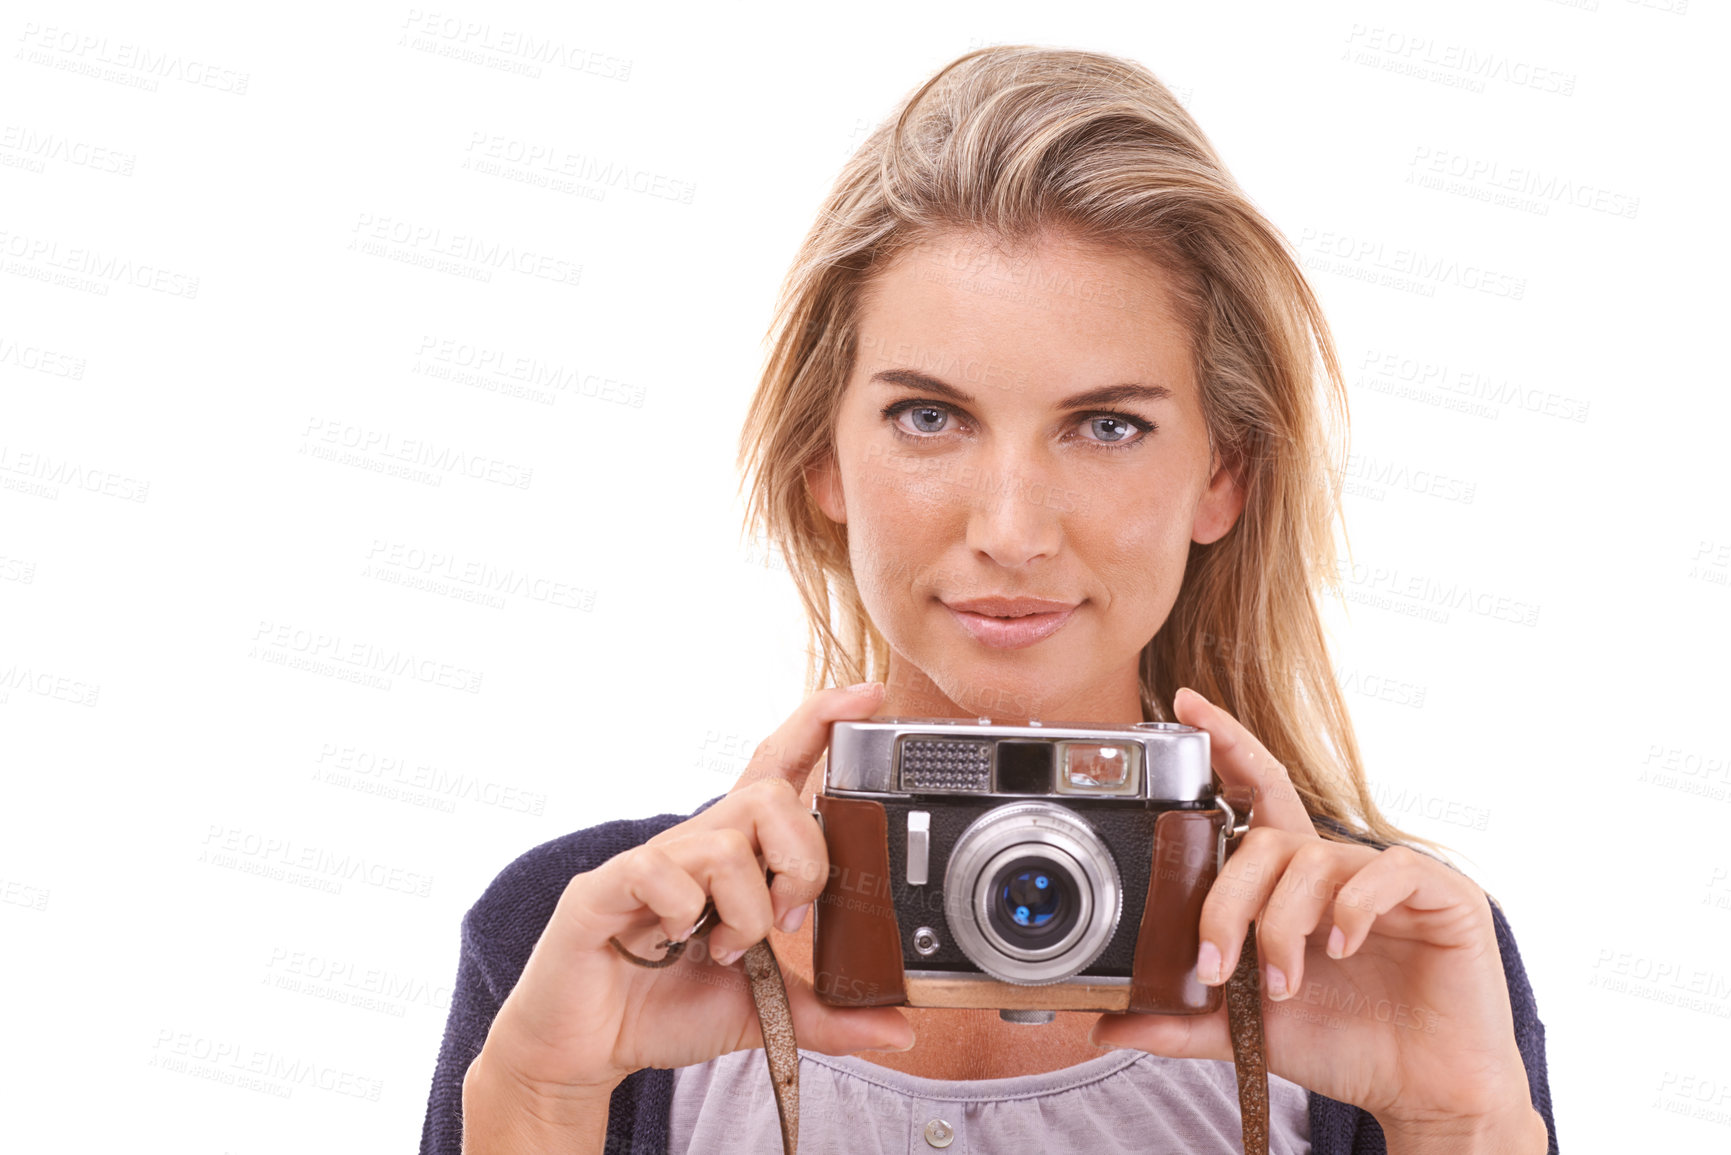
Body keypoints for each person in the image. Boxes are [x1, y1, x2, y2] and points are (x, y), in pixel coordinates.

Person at [421, 45, 1557, 1154]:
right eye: (930, 417)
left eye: (1108, 426)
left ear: (1224, 476)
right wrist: (540, 1100)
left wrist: (1456, 1129)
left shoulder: (1380, 955)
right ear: (823, 455)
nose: (1011, 531)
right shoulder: (593, 938)